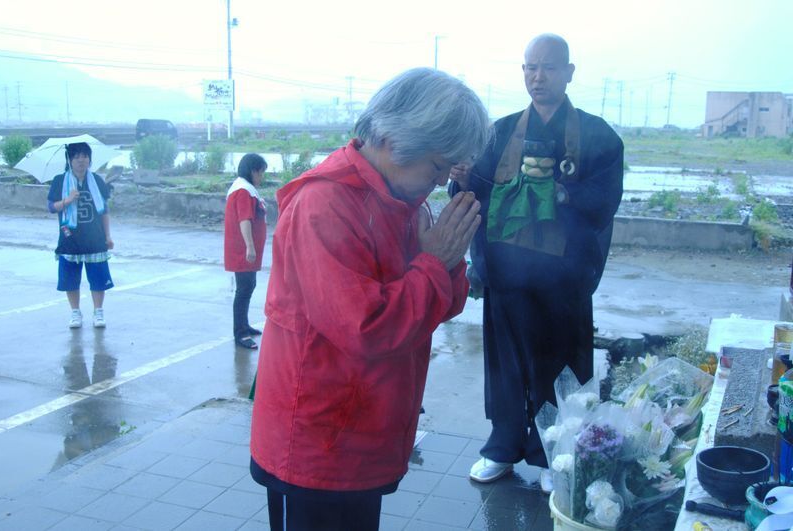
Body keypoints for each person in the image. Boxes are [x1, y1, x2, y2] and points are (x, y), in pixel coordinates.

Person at [249, 67, 489, 531]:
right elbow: (368, 329)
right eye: (438, 166)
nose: (440, 182)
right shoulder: (326, 205)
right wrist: (435, 264)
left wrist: (448, 260)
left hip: (364, 433)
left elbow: (441, 304)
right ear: (400, 137)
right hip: (317, 445)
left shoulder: (404, 200)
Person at [449, 34, 624, 489]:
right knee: (505, 367)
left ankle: (554, 455)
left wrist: (562, 192)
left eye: (548, 67)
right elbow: (477, 193)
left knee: (559, 367)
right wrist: (464, 179)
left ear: (569, 71)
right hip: (507, 275)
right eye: (530, 67)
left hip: (562, 280)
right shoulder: (500, 132)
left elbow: (605, 201)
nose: (537, 76)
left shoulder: (598, 135)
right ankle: (503, 447)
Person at [47, 142, 115, 329]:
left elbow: (105, 211)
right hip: (70, 239)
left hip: (95, 238)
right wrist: (67, 200)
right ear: (70, 160)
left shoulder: (97, 181)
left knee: (98, 278)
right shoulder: (60, 181)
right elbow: (51, 208)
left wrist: (108, 236)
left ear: (90, 159)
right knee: (70, 278)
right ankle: (75, 312)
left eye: (85, 156)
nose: (81, 160)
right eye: (76, 156)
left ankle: (98, 311)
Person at [224, 153, 268, 349]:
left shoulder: (246, 189)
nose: (261, 177)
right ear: (253, 171)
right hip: (242, 250)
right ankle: (240, 333)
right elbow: (244, 220)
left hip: (246, 250)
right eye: (261, 173)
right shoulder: (243, 191)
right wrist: (250, 246)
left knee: (248, 287)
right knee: (243, 290)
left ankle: (244, 325)